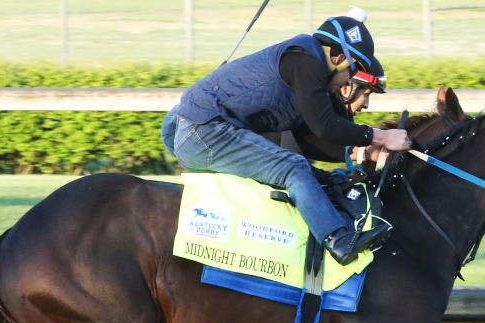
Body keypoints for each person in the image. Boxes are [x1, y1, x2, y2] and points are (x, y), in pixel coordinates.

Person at [161, 11, 409, 265]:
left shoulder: (304, 66)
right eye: (353, 71)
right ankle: (339, 240)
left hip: (191, 125)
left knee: (303, 171)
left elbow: (306, 135)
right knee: (293, 167)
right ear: (338, 58)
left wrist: (357, 151)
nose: (347, 82)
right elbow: (324, 126)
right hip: (202, 131)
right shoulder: (307, 61)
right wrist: (380, 136)